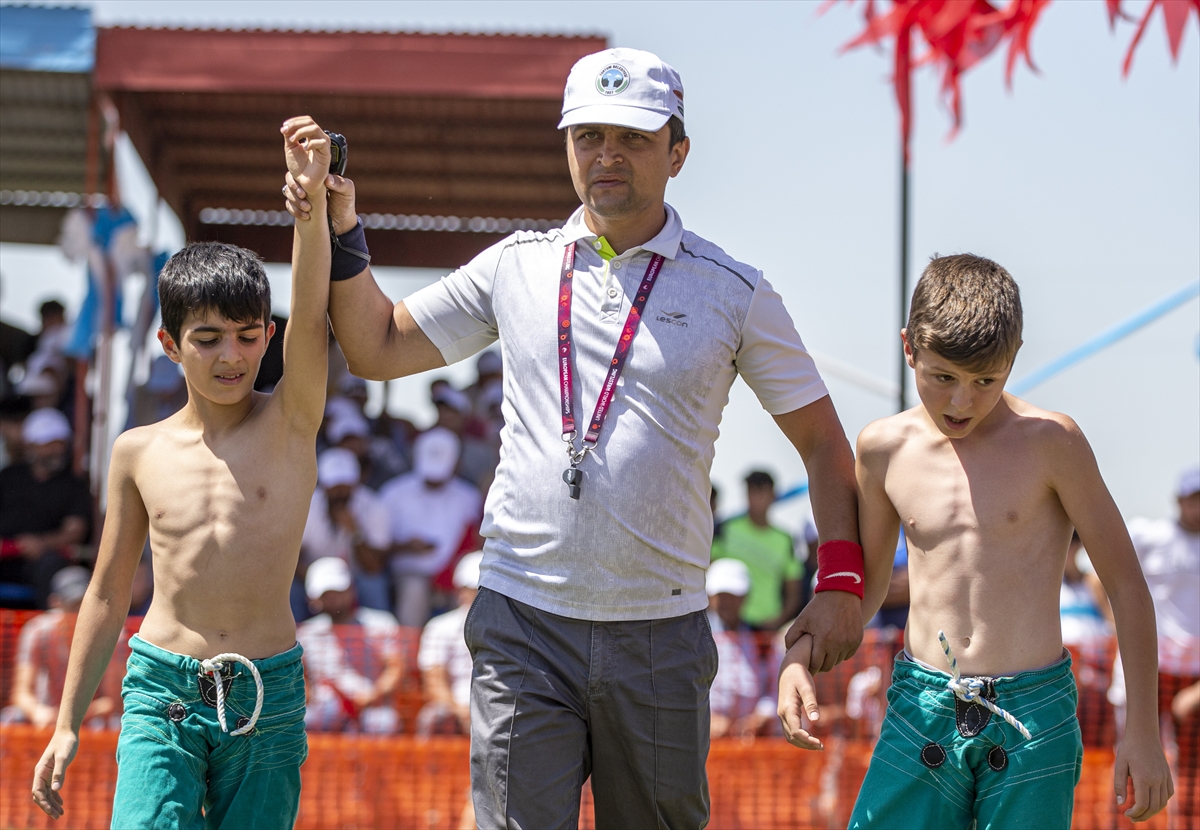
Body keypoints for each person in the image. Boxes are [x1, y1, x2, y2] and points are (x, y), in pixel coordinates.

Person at [282, 47, 861, 828]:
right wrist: (341, 224)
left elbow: (825, 444)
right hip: (523, 621)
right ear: (566, 147)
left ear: (678, 153)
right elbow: (377, 345)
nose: (606, 155)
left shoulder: (734, 292)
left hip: (660, 630)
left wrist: (841, 583)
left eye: (632, 137)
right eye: (588, 136)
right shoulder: (515, 266)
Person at [30, 119, 336, 827]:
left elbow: (314, 310)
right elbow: (106, 592)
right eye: (207, 338)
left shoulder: (291, 422)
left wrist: (310, 204)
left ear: (268, 335)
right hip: (159, 691)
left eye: (248, 334)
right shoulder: (137, 450)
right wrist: (67, 723)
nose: (231, 354)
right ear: (170, 344)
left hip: (269, 695)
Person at [840, 254, 1172, 827]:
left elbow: (1127, 588)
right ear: (908, 348)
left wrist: (1141, 731)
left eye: (985, 381)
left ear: (1014, 357)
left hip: (1034, 712)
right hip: (920, 704)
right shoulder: (881, 448)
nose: (961, 402)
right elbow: (863, 594)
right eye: (942, 377)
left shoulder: (1054, 443)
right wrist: (802, 654)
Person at [1110, 467, 1199, 823]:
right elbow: (1113, 582)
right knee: (1137, 760)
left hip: (1193, 676)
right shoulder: (1148, 535)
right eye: (1194, 499)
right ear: (1179, 501)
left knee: (1188, 771)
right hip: (1151, 669)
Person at [378, 427, 483, 628]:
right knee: (414, 590)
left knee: (472, 594)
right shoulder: (392, 492)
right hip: (409, 574)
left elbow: (474, 541)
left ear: (456, 464)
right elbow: (377, 549)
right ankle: (408, 655)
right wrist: (405, 547)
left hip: (455, 577)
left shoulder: (469, 497)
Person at [0, 567, 122, 730]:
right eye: (74, 604)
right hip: (46, 714)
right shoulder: (37, 631)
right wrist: (38, 712)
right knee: (10, 717)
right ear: (55, 603)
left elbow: (113, 701)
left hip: (89, 717)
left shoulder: (111, 636)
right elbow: (21, 692)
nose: (80, 613)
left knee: (118, 724)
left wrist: (74, 716)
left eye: (85, 604)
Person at [297, 556, 402, 734]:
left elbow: (396, 668)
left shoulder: (381, 624)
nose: (334, 599)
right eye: (326, 594)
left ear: (351, 590)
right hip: (325, 706)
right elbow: (300, 677)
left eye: (338, 591)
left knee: (382, 723)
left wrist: (372, 696)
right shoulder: (306, 633)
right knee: (307, 720)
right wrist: (309, 695)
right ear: (313, 599)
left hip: (372, 705)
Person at [0, 408, 91, 609]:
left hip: (43, 561)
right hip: (5, 557)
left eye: (60, 444)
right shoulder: (8, 477)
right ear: (30, 446)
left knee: (55, 570)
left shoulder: (73, 486)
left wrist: (41, 544)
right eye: (48, 445)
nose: (56, 451)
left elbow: (74, 531)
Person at [301, 447, 392, 612]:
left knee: (373, 584)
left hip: (356, 577)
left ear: (356, 483)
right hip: (313, 575)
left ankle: (380, 635)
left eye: (346, 486)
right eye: (334, 487)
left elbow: (374, 567)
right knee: (290, 589)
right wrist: (319, 579)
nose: (340, 493)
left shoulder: (374, 506)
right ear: (323, 486)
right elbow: (293, 560)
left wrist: (355, 532)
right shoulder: (306, 507)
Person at [712, 470, 802, 630]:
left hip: (766, 631)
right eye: (750, 492)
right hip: (727, 628)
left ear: (773, 495)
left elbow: (794, 590)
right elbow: (708, 572)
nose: (755, 498)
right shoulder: (726, 529)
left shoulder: (785, 539)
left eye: (760, 491)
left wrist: (777, 622)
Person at [705, 557, 779, 739]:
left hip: (752, 740)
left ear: (745, 597)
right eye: (722, 595)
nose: (727, 602)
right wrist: (706, 718)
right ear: (710, 596)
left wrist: (760, 716)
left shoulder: (763, 640)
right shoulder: (694, 639)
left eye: (734, 596)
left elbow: (775, 687)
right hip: (706, 739)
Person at [416, 551, 483, 736]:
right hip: (455, 707)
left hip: (496, 706)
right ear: (460, 590)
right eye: (474, 588)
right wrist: (459, 711)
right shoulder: (439, 627)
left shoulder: (509, 629)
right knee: (433, 716)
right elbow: (434, 680)